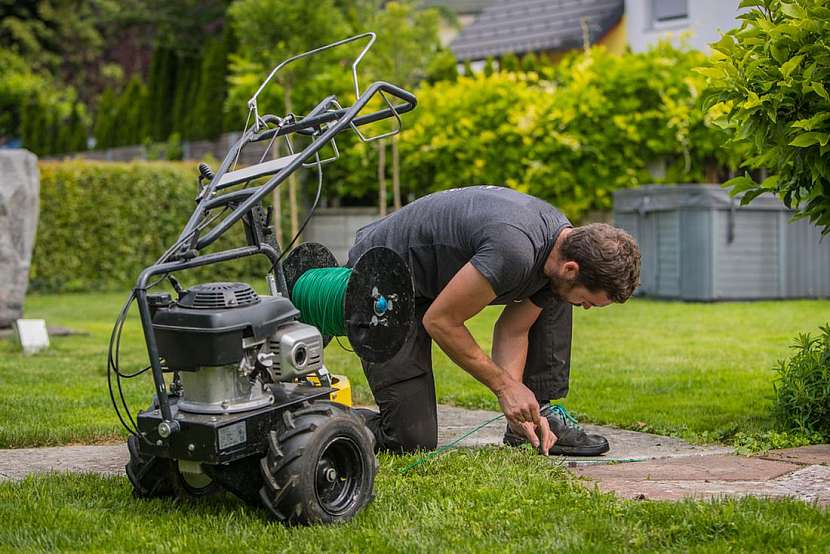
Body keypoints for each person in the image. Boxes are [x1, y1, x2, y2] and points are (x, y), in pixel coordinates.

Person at [347, 185, 640, 455]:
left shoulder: (561, 249)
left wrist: (516, 405)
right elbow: (441, 321)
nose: (586, 308)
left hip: (431, 285)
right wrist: (504, 386)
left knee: (560, 298)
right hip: (382, 280)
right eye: (589, 301)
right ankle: (327, 421)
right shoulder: (514, 251)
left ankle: (533, 416)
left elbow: (513, 329)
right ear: (572, 269)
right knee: (410, 439)